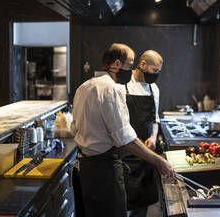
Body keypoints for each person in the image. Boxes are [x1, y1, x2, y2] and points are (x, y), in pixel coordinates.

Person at [71, 43, 174, 217]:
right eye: (130, 64)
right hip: (105, 170)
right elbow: (124, 138)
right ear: (117, 65)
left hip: (86, 169)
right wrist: (159, 161)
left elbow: (74, 128)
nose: (132, 69)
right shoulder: (112, 89)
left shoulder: (84, 87)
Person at [122, 50, 163, 217]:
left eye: (159, 72)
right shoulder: (122, 85)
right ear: (142, 64)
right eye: (154, 71)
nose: (156, 75)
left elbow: (155, 119)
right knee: (123, 204)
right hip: (125, 154)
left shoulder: (154, 89)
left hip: (146, 156)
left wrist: (153, 137)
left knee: (143, 207)